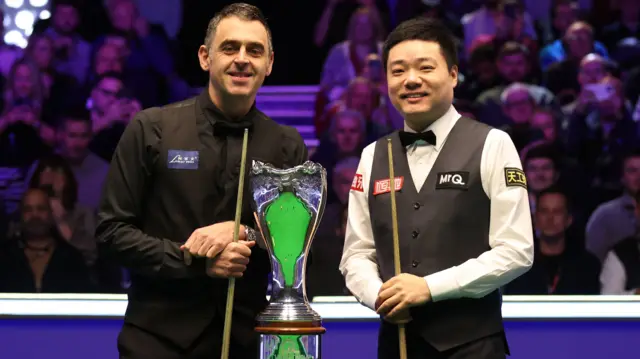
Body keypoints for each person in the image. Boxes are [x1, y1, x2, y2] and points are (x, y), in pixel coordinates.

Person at [95, 3, 308, 358]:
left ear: (269, 63)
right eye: (230, 48)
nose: (242, 59)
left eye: (255, 50)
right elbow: (111, 232)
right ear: (205, 57)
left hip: (247, 341)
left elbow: (302, 251)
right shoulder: (152, 129)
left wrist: (244, 233)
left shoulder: (287, 145)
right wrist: (193, 262)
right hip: (156, 340)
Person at [339, 17, 534, 359]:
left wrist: (429, 288)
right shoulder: (373, 155)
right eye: (398, 71)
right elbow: (357, 254)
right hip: (396, 345)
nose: (411, 80)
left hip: (473, 347)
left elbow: (516, 251)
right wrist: (379, 296)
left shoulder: (493, 143)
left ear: (453, 74)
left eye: (425, 67)